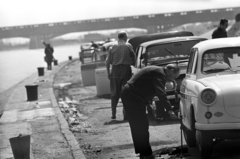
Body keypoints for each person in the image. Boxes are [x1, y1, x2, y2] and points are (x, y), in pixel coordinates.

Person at [121, 64, 179, 159]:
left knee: (139, 125)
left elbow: (146, 86)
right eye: (174, 77)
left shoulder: (157, 71)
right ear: (171, 71)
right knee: (141, 125)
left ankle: (143, 152)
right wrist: (169, 110)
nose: (173, 79)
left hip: (132, 95)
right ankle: (146, 153)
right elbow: (161, 92)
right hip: (132, 96)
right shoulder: (160, 73)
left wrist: (148, 104)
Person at [106, 31, 136, 120]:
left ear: (118, 38)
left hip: (115, 70)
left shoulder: (112, 47)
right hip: (125, 70)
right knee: (126, 92)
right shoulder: (128, 46)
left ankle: (113, 114)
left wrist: (109, 73)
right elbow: (133, 57)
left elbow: (107, 62)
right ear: (125, 37)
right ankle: (125, 115)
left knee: (114, 92)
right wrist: (133, 64)